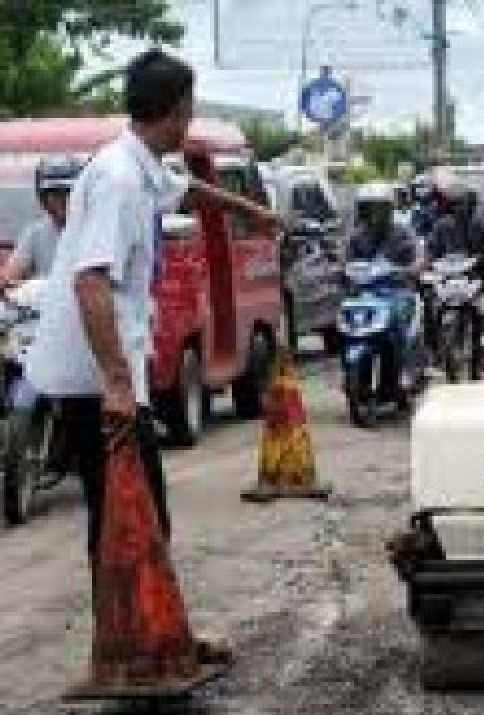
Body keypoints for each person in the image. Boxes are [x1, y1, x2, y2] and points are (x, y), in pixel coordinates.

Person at [26, 50, 280, 635]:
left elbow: (186, 190)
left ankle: (145, 630)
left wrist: (251, 212)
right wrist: (116, 382)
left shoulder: (140, 164)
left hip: (112, 367)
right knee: (125, 510)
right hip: (95, 375)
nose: (190, 119)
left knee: (138, 507)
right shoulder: (117, 178)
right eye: (188, 109)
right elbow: (90, 280)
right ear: (174, 112)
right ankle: (129, 638)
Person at [1, 154, 83, 285]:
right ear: (42, 197)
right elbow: (10, 276)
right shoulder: (35, 234)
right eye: (54, 192)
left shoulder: (96, 232)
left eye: (69, 191)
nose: (63, 199)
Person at [348, 184, 416, 266]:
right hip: (362, 278)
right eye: (368, 208)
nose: (374, 212)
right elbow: (346, 261)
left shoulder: (402, 233)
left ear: (388, 209)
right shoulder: (356, 237)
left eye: (380, 207)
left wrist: (413, 268)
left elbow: (416, 257)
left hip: (395, 277)